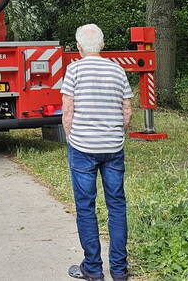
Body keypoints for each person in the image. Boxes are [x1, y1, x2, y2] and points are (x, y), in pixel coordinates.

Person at [61, 24, 132, 281]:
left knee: (86, 207)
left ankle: (92, 268)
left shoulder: (74, 69)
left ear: (79, 47)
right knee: (116, 206)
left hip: (82, 149)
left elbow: (67, 112)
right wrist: (115, 133)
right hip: (113, 148)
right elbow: (127, 111)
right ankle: (119, 269)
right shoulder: (117, 69)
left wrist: (72, 137)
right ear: (102, 45)